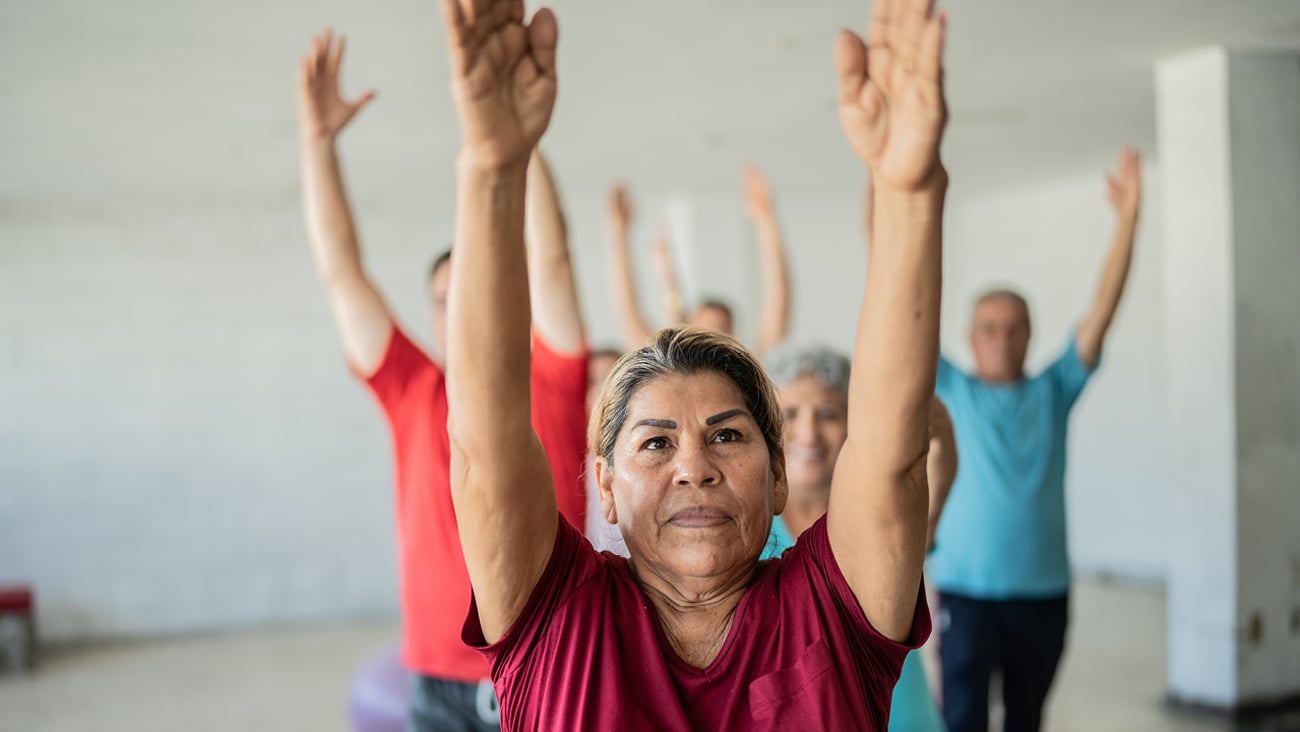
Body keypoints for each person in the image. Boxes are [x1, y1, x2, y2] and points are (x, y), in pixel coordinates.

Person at [438, 0, 949, 726]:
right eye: (655, 442)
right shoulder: (559, 618)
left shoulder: (831, 613)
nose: (693, 466)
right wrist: (491, 168)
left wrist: (908, 192)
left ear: (778, 476)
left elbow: (893, 454)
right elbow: (484, 450)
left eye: (729, 434)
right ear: (605, 489)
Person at [295, 29, 588, 731]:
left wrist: (515, 137)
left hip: (547, 660)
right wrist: (317, 143)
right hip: (436, 679)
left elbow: (549, 260)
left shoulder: (551, 373)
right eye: (446, 298)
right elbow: (341, 270)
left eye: (478, 293)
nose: (463, 311)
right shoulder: (411, 387)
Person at [930, 147, 1142, 732]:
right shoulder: (949, 386)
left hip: (1043, 593)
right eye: (989, 328)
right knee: (963, 720)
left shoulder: (1055, 389)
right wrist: (897, 211)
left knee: (1027, 719)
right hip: (965, 594)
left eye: (1013, 326)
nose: (1001, 338)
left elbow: (1101, 314)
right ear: (971, 338)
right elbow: (910, 306)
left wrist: (1127, 220)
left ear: (1030, 334)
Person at [766, 344, 958, 732]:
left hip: (900, 716)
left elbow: (932, 498)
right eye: (790, 415)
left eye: (828, 414)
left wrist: (941, 435)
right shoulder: (746, 525)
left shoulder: (876, 512)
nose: (808, 433)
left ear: (854, 423)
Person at [605, 164, 790, 354]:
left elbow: (778, 304)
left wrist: (766, 220)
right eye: (704, 328)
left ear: (734, 334)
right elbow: (628, 314)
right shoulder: (666, 367)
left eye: (722, 328)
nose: (713, 335)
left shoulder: (750, 373)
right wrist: (618, 233)